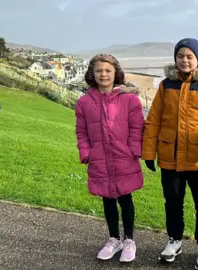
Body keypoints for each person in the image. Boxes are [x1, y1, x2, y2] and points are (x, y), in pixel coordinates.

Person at [142, 38, 198, 270]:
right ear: (175, 58)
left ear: (197, 60)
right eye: (180, 56)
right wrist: (149, 152)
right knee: (172, 203)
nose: (184, 60)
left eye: (189, 56)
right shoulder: (166, 85)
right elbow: (153, 120)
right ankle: (175, 240)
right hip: (169, 157)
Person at [75, 54, 144, 263]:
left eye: (108, 71)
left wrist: (133, 150)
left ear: (116, 73)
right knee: (107, 198)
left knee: (125, 197)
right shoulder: (84, 102)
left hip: (124, 157)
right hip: (99, 158)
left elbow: (137, 127)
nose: (103, 74)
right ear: (92, 74)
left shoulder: (129, 99)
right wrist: (86, 152)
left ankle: (129, 240)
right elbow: (81, 132)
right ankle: (114, 239)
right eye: (99, 71)